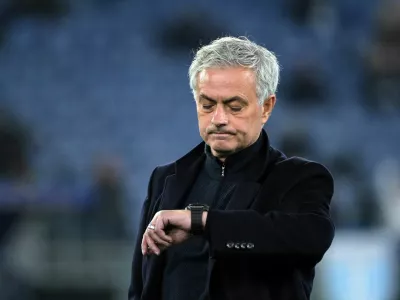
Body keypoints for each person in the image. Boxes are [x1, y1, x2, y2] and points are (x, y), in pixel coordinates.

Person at [128, 36, 335, 300]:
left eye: (234, 106)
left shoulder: (298, 178)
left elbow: (312, 236)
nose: (219, 119)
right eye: (207, 105)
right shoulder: (164, 179)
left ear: (266, 107)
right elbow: (139, 287)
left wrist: (201, 221)